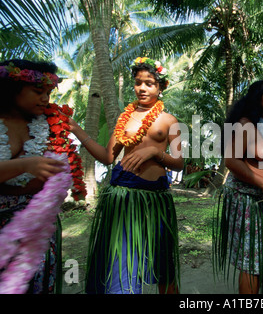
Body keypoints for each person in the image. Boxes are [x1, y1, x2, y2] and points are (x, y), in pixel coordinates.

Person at [67, 57, 183, 294]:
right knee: (122, 263)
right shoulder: (124, 118)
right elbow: (109, 157)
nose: (142, 88)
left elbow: (180, 163)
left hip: (155, 201)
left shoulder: (170, 121)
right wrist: (78, 131)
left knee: (164, 267)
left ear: (161, 87)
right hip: (123, 199)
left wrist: (154, 152)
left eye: (149, 83)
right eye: (138, 82)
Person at [213, 79, 263, 294]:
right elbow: (231, 160)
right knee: (251, 262)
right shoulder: (245, 124)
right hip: (248, 201)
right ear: (258, 99)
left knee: (261, 260)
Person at [0, 59, 66, 293]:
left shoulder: (52, 125)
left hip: (36, 224)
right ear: (12, 89)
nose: (45, 98)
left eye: (49, 92)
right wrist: (26, 164)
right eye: (38, 91)